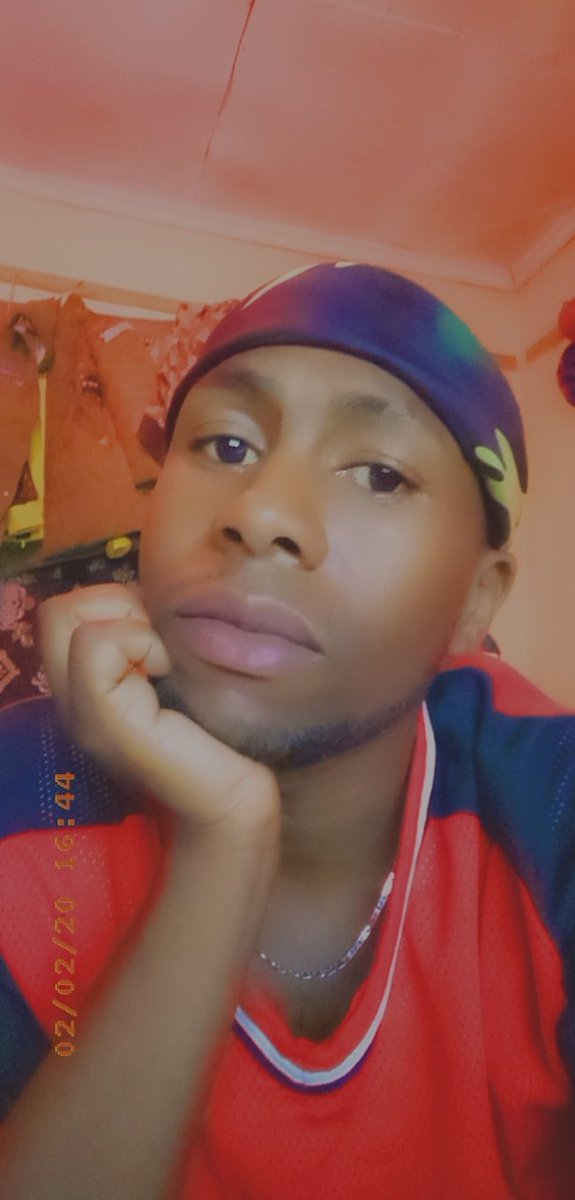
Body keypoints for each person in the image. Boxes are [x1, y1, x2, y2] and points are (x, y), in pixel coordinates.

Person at [0, 262, 573, 1200]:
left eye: (378, 474)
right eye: (226, 445)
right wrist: (222, 844)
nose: (260, 512)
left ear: (476, 600)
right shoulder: (24, 796)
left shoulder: (551, 803)